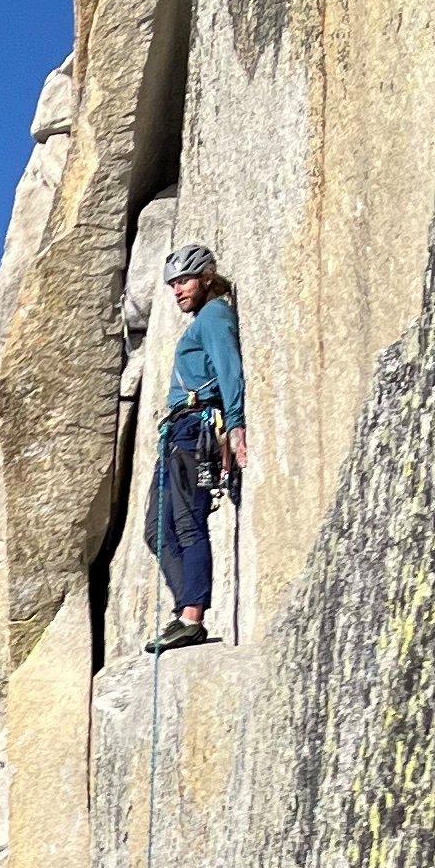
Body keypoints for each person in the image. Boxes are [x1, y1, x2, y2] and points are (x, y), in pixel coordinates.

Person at [143, 243, 246, 653]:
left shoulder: (215, 315)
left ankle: (192, 616)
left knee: (188, 524)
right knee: (156, 529)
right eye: (173, 284)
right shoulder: (200, 321)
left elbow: (229, 368)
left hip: (196, 429)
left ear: (206, 278)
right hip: (177, 432)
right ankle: (185, 605)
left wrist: (235, 427)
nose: (178, 290)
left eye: (184, 281)